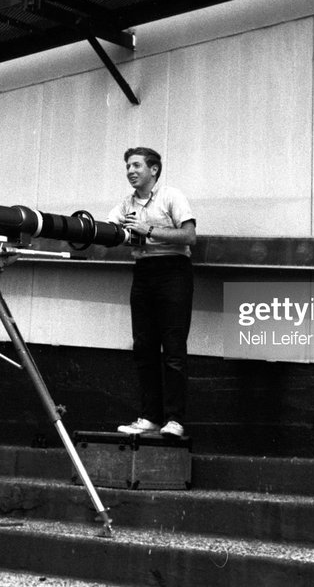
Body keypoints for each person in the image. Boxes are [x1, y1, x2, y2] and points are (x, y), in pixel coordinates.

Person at [107, 147, 196, 439]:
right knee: (144, 348)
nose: (130, 171)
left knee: (173, 350)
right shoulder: (125, 204)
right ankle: (149, 418)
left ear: (153, 170)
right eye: (128, 167)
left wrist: (148, 230)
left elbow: (189, 236)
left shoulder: (172, 196)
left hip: (174, 272)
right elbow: (109, 228)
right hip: (143, 273)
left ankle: (175, 420)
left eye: (136, 166)